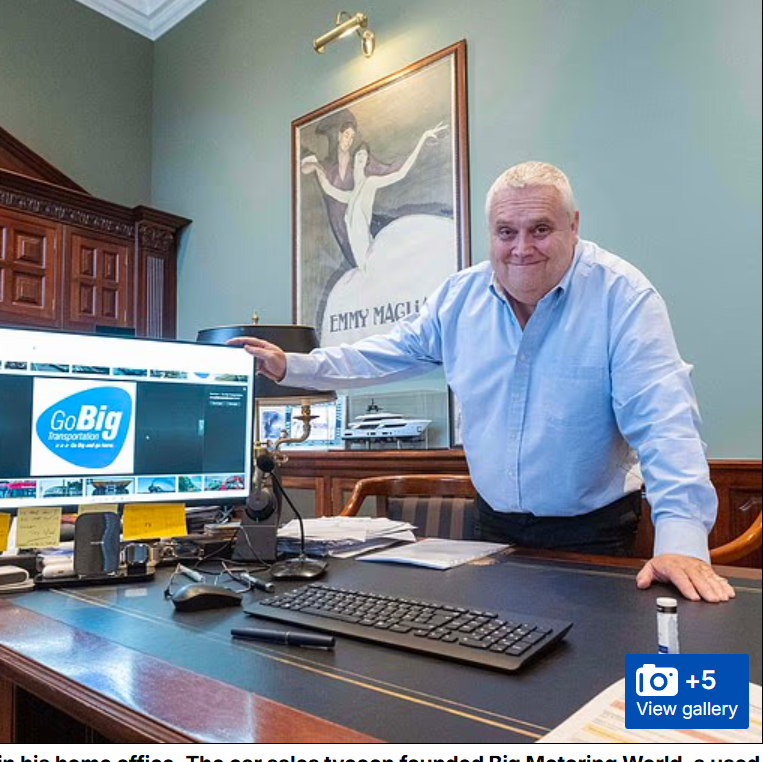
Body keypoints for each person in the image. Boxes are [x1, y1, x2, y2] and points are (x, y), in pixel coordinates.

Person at [231, 161, 734, 603]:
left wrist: (682, 545)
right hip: (492, 525)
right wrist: (292, 366)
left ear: (574, 226)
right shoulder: (458, 299)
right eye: (506, 232)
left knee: (588, 669)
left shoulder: (623, 297)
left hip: (594, 532)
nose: (522, 248)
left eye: (540, 229)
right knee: (495, 656)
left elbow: (665, 424)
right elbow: (385, 353)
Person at [306, 122, 449, 268]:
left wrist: (423, 139)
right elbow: (328, 189)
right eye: (359, 154)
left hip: (370, 258)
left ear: (367, 161)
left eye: (364, 155)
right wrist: (317, 167)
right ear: (354, 160)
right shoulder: (350, 196)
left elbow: (400, 173)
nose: (361, 157)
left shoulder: (371, 183)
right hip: (362, 264)